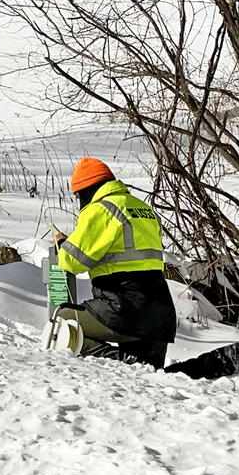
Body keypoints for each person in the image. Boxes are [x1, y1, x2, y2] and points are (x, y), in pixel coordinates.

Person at [52, 157, 177, 368]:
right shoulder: (143, 209)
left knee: (63, 322)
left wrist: (62, 244)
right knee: (155, 379)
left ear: (85, 190)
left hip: (123, 311)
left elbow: (71, 262)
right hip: (160, 316)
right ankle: (213, 364)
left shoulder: (101, 210)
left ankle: (124, 364)